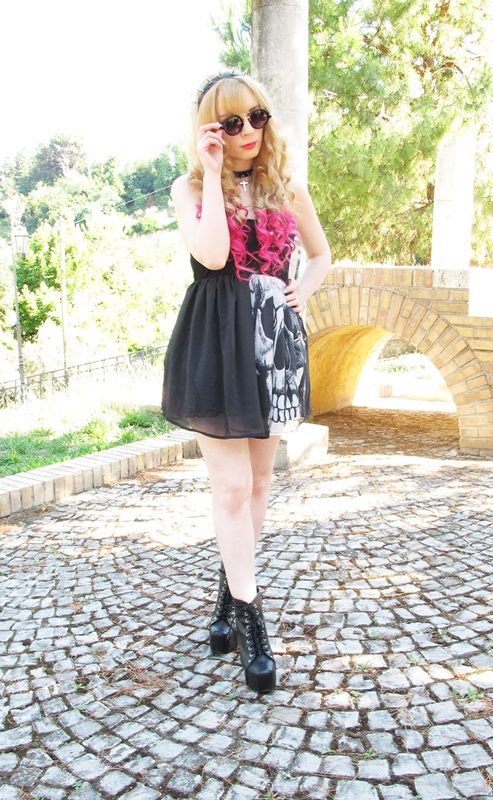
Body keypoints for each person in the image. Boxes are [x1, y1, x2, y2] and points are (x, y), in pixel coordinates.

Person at [162, 71, 331, 694]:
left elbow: (321, 255)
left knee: (259, 482)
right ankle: (252, 623)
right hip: (215, 342)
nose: (249, 132)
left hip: (271, 344)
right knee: (232, 487)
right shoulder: (189, 187)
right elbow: (211, 256)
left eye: (257, 116)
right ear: (211, 130)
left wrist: (301, 290)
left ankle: (228, 598)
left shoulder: (286, 184)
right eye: (232, 123)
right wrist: (211, 173)